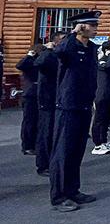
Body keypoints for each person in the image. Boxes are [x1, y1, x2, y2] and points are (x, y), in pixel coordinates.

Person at [49, 10, 101, 213]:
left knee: (77, 151)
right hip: (68, 106)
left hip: (84, 104)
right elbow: (59, 53)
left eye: (96, 25)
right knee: (63, 152)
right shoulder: (69, 45)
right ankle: (59, 196)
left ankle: (72, 190)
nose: (96, 29)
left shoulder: (91, 48)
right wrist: (72, 34)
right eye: (92, 25)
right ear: (81, 27)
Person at [35, 31, 67, 176]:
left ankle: (53, 162)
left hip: (60, 99)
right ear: (55, 42)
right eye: (63, 39)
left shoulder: (61, 56)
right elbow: (38, 63)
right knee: (46, 133)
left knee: (56, 133)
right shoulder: (48, 55)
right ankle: (43, 165)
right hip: (47, 100)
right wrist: (48, 50)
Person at [91, 40, 110, 156]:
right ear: (107, 50)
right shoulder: (102, 61)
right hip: (102, 95)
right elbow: (107, 66)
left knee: (107, 120)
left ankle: (104, 140)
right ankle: (97, 144)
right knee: (99, 120)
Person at [17, 45, 43, 155]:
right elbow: (20, 65)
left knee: (37, 121)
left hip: (39, 94)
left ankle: (35, 144)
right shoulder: (29, 62)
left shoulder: (41, 62)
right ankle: (27, 146)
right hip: (30, 94)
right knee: (29, 121)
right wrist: (29, 55)